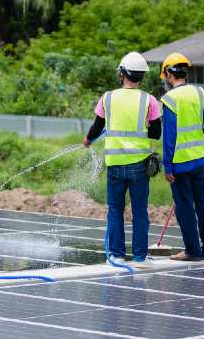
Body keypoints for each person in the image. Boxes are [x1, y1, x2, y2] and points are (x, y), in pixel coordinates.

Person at [84, 52, 162, 269]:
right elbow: (156, 133)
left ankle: (117, 256)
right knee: (139, 211)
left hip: (115, 164)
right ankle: (140, 258)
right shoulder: (149, 100)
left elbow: (97, 126)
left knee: (115, 210)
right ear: (141, 76)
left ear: (122, 73)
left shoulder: (107, 98)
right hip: (139, 164)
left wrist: (88, 139)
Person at [159, 52, 204, 262]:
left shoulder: (170, 99)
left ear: (168, 73)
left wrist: (167, 166)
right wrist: (201, 141)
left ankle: (192, 251)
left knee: (184, 207)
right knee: (203, 205)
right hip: (198, 160)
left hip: (179, 164)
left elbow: (169, 137)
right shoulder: (200, 93)